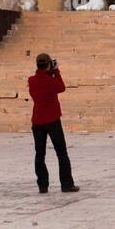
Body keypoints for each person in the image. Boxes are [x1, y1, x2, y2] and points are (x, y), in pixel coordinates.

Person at [28, 53, 79, 195]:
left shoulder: (32, 80)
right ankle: (67, 184)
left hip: (37, 121)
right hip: (52, 120)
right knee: (61, 153)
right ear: (49, 64)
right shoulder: (50, 81)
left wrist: (48, 73)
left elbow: (39, 84)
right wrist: (55, 72)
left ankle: (42, 186)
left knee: (40, 154)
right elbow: (61, 87)